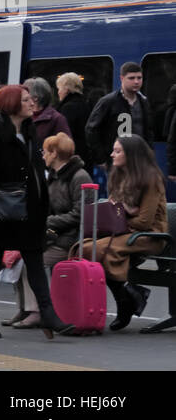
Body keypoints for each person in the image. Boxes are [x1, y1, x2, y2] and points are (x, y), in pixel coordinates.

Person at [0, 84, 75, 338]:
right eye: (26, 100)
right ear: (11, 105)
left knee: (34, 258)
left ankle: (47, 313)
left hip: (30, 207)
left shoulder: (30, 130)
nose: (32, 103)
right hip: (2, 208)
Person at [78, 136, 167, 331]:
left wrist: (121, 214)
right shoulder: (118, 176)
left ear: (132, 155)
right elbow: (114, 209)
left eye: (117, 151)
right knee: (84, 247)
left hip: (150, 236)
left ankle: (125, 303)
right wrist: (123, 211)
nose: (112, 154)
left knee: (102, 250)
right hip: (124, 232)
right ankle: (129, 297)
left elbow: (144, 221)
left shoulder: (151, 179)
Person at [13, 132, 93, 329]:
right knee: (18, 258)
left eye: (45, 152)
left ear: (55, 153)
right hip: (51, 235)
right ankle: (25, 307)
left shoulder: (79, 177)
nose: (43, 156)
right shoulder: (53, 176)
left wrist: (47, 221)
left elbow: (81, 214)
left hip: (69, 240)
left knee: (29, 263)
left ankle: (35, 311)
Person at [88, 61, 148, 173]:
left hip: (139, 160)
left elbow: (148, 131)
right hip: (117, 161)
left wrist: (149, 152)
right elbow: (91, 129)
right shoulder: (108, 102)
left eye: (139, 78)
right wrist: (100, 158)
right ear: (122, 78)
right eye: (131, 78)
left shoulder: (143, 102)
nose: (136, 81)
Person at [26, 78, 71, 142]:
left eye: (26, 96)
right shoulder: (22, 115)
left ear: (35, 98)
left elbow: (66, 146)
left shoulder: (57, 119)